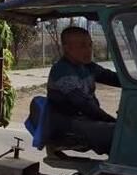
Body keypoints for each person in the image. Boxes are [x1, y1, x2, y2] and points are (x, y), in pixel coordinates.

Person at [46, 26, 121, 155]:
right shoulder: (62, 71)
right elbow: (83, 104)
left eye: (90, 45)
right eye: (82, 46)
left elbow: (112, 78)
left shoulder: (87, 66)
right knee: (121, 135)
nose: (88, 50)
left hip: (84, 120)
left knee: (125, 133)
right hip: (68, 125)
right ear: (67, 48)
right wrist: (111, 120)